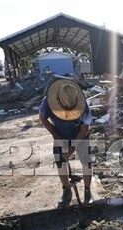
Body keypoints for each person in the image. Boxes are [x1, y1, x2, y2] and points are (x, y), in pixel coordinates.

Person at [39, 76, 93, 207]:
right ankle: (66, 190)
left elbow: (84, 129)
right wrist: (56, 136)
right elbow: (43, 118)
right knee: (61, 163)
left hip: (80, 135)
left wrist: (72, 148)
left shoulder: (84, 106)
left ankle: (87, 191)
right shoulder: (48, 102)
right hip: (60, 134)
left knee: (87, 163)